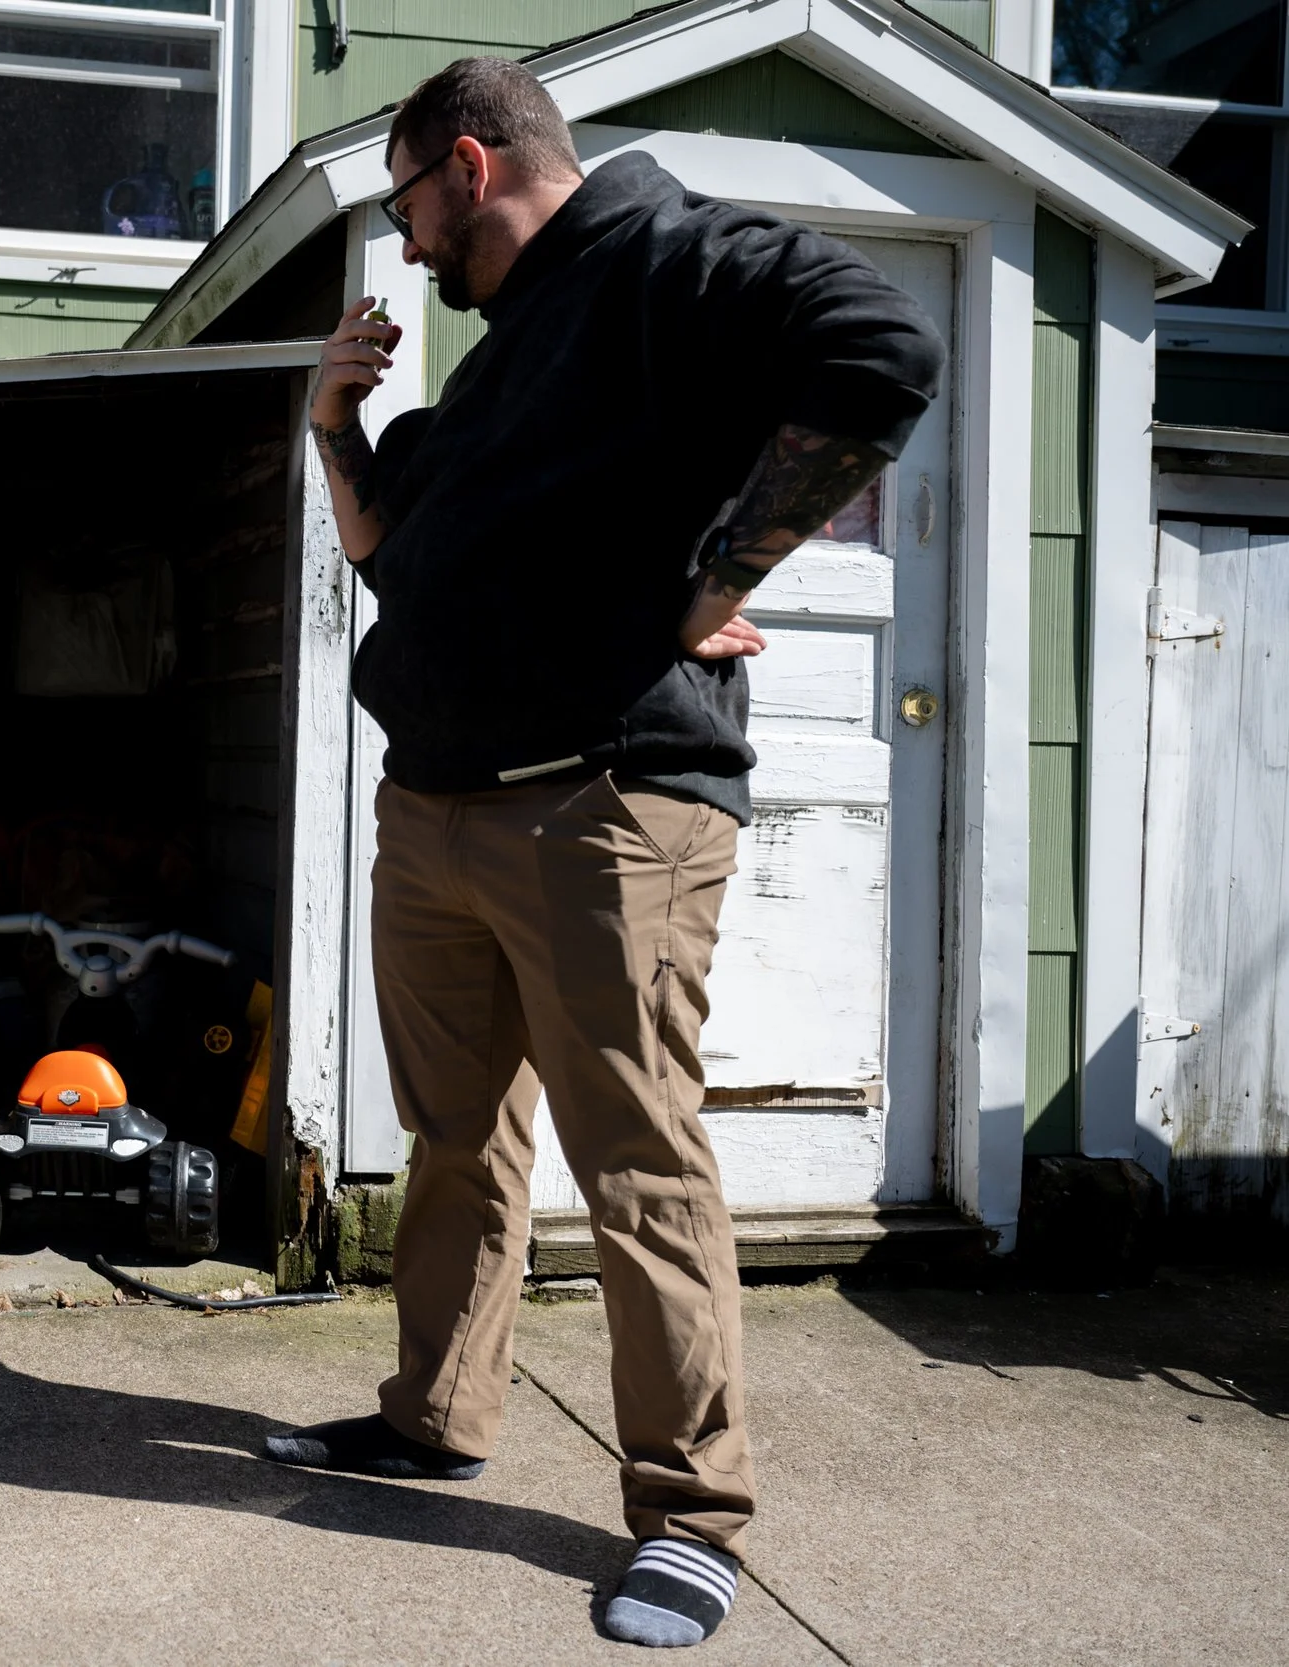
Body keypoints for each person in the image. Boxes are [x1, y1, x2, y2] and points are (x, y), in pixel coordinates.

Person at [260, 58, 945, 1650]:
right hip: (435, 807)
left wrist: (721, 575)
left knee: (637, 1157)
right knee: (455, 1140)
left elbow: (882, 349)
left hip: (603, 807)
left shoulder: (660, 253)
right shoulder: (509, 358)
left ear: (472, 163)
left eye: (408, 204)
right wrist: (334, 423)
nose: (406, 244)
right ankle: (436, 1414)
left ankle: (693, 1513)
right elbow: (386, 550)